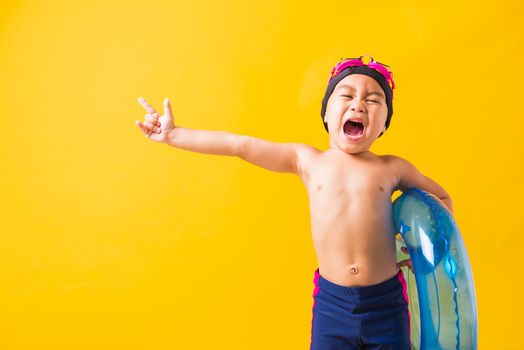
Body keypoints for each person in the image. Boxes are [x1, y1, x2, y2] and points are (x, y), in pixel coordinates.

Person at [134, 54, 453, 349]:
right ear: (327, 113)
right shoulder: (307, 160)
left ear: (384, 124)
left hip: (386, 303)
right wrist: (175, 135)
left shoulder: (393, 168)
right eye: (346, 96)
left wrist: (428, 250)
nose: (358, 105)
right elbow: (240, 145)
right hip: (334, 305)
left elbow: (442, 199)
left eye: (373, 100)